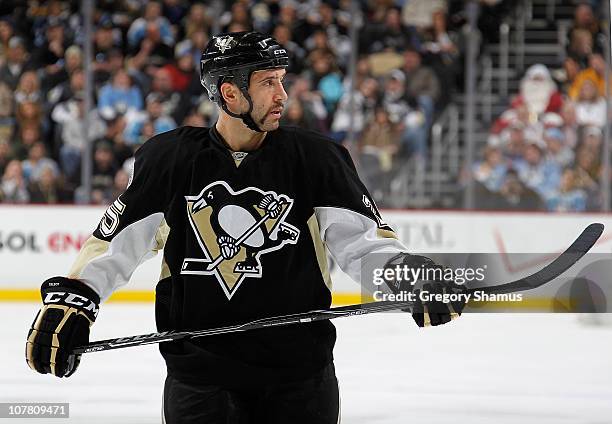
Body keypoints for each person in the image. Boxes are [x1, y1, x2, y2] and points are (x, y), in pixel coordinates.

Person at [25, 31, 465, 423]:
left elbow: (364, 247)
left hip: (298, 379)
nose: (283, 95)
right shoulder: (170, 160)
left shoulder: (315, 159)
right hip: (200, 380)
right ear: (230, 94)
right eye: (268, 83)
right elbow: (114, 245)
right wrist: (74, 301)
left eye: (282, 81)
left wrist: (408, 277)